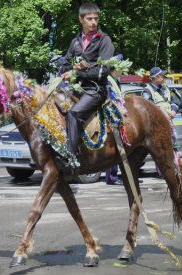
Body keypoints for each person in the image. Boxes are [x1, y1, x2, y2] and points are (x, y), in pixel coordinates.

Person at [56, 3, 115, 180]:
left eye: (96, 18)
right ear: (81, 19)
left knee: (73, 115)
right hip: (75, 88)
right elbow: (64, 63)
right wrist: (67, 68)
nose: (93, 22)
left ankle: (70, 159)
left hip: (95, 90)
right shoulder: (75, 42)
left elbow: (103, 70)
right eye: (89, 18)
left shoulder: (104, 40)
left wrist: (77, 71)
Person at [105, 55, 124, 186]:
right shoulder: (108, 80)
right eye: (121, 67)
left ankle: (116, 174)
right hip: (111, 117)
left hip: (118, 116)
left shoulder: (115, 80)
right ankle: (111, 177)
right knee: (113, 147)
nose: (122, 70)